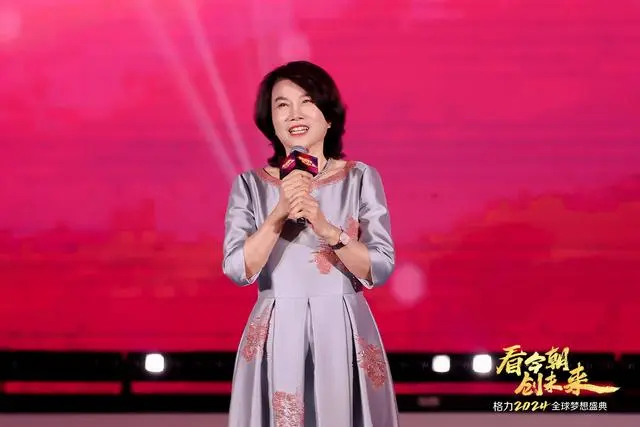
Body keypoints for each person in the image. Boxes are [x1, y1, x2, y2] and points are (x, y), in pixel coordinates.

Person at [222, 60, 398, 427]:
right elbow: (237, 269)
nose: (295, 114)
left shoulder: (360, 178)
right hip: (277, 328)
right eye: (282, 105)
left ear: (329, 116)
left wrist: (327, 229)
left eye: (306, 101)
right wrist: (277, 215)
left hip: (342, 325)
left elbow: (380, 267)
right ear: (271, 121)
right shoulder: (249, 185)